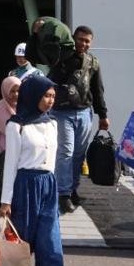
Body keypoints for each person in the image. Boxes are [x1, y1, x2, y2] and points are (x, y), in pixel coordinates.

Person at [0, 74, 66, 266]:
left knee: (52, 252)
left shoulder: (52, 123)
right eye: (46, 96)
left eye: (52, 96)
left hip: (48, 188)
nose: (50, 101)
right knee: (18, 250)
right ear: (33, 96)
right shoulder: (17, 125)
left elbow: (52, 161)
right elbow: (11, 164)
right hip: (24, 188)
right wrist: (6, 201)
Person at [48, 25, 109, 214]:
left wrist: (103, 115)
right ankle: (63, 193)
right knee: (65, 152)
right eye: (80, 39)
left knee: (78, 154)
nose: (83, 43)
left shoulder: (93, 62)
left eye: (87, 41)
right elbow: (53, 77)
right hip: (62, 112)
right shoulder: (62, 57)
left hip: (84, 112)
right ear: (73, 39)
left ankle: (73, 188)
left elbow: (97, 90)